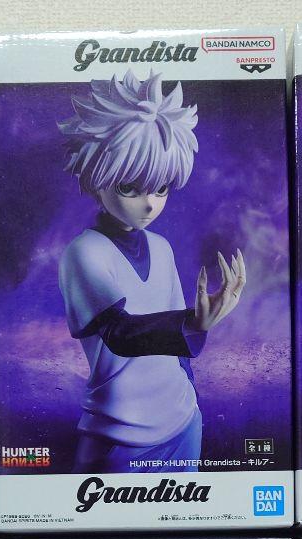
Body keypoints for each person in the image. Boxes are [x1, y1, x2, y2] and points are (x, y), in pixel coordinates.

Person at [58, 70, 246, 473]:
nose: (149, 203)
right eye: (130, 187)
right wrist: (192, 322)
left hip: (182, 421)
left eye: (161, 189)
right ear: (96, 178)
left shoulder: (161, 247)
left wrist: (191, 394)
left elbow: (177, 352)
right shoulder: (84, 252)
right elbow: (121, 333)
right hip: (117, 433)